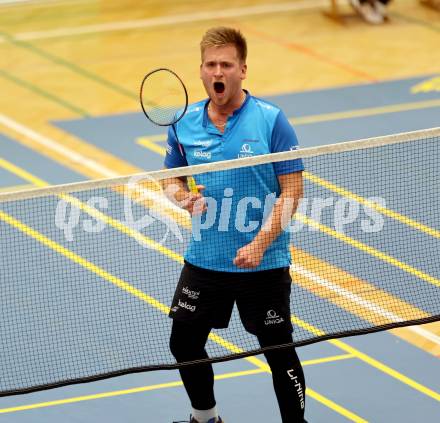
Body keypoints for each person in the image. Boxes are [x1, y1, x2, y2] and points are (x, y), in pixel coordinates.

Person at [162, 27, 306, 423]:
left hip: (263, 262)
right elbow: (170, 177)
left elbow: (292, 189)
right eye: (211, 64)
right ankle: (205, 418)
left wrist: (260, 243)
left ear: (243, 70)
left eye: (226, 64)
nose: (217, 71)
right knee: (184, 341)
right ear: (202, 71)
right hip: (206, 258)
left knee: (278, 349)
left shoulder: (270, 120)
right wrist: (182, 197)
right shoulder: (184, 124)